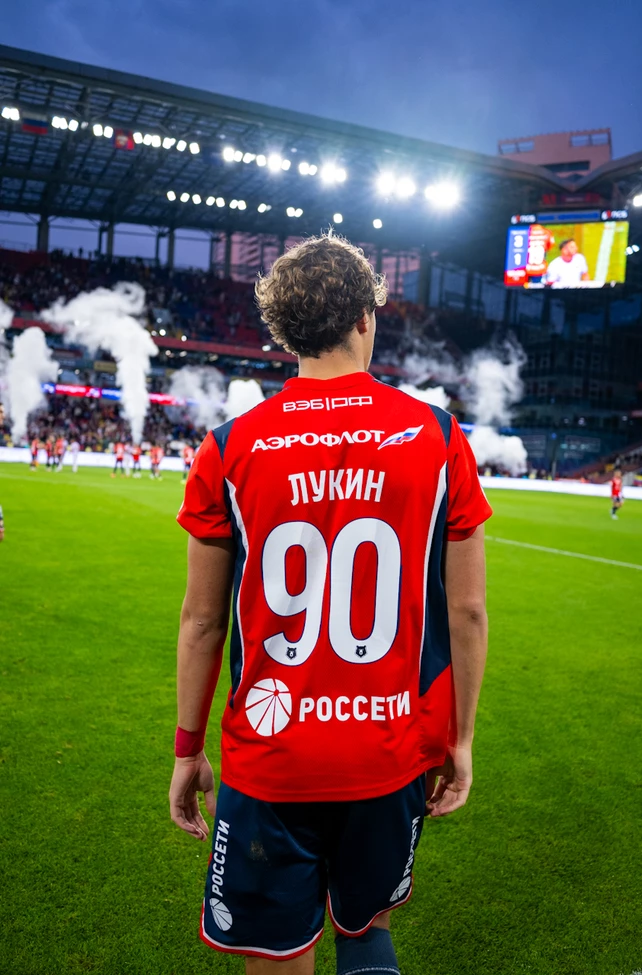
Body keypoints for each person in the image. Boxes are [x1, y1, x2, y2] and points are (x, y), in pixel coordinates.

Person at [169, 234, 492, 974]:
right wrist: (461, 740)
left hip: (271, 753)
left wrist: (188, 750)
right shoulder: (438, 436)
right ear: (365, 318)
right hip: (388, 749)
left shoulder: (228, 446)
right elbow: (468, 612)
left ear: (285, 332)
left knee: (276, 950)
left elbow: (203, 620)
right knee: (367, 925)